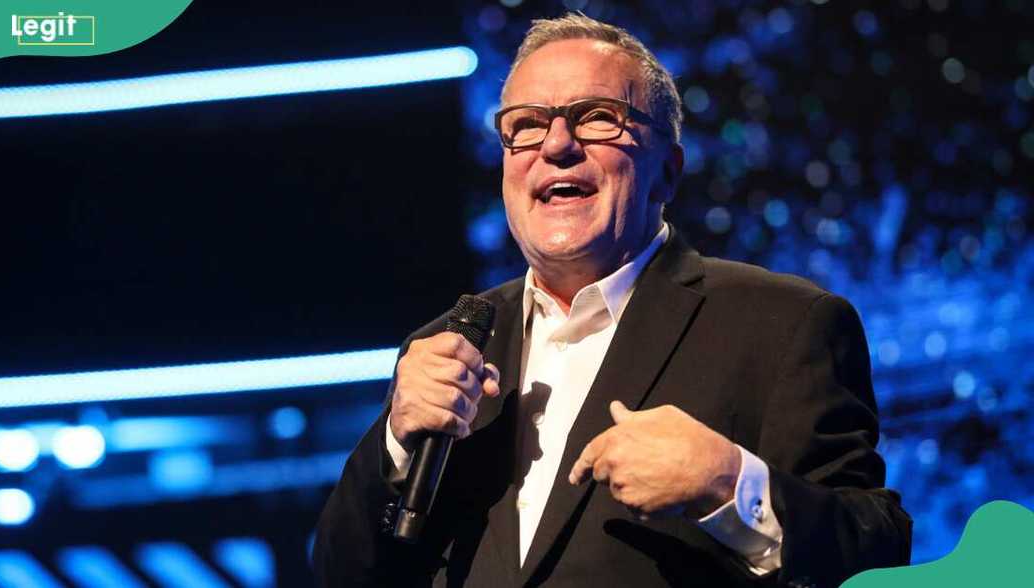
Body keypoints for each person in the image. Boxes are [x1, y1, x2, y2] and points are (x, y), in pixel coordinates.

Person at [314, 13, 911, 588]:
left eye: (597, 118)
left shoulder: (784, 325)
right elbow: (342, 573)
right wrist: (394, 440)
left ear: (667, 173)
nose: (556, 145)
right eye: (524, 125)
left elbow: (877, 553)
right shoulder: (450, 344)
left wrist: (730, 483)